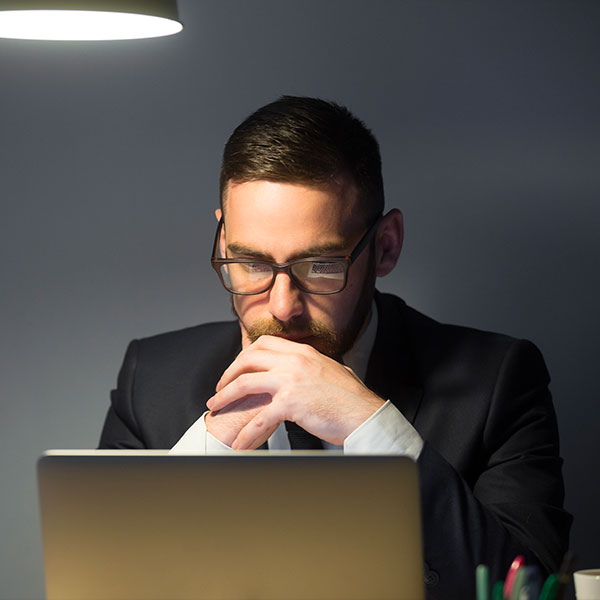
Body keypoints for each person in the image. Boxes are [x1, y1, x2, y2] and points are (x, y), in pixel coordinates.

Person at [99, 96, 572, 598]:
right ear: (222, 242)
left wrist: (375, 429)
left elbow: (530, 588)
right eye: (252, 263)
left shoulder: (500, 382)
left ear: (385, 246)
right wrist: (206, 454)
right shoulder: (148, 380)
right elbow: (98, 583)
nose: (282, 306)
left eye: (320, 265)